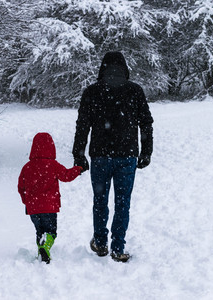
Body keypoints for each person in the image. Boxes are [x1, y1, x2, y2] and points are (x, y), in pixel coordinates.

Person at [72, 51, 154, 263]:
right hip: (127, 156)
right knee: (122, 202)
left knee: (100, 200)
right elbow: (146, 122)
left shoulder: (92, 91)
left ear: (103, 67)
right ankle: (118, 247)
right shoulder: (134, 91)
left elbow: (82, 125)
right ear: (124, 68)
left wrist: (79, 154)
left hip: (100, 156)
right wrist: (146, 151)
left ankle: (100, 242)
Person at [18, 132, 83, 264]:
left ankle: (41, 252)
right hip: (49, 206)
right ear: (51, 147)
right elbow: (66, 176)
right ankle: (45, 247)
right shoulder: (53, 165)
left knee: (39, 230)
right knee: (51, 232)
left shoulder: (27, 167)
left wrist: (27, 201)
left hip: (33, 208)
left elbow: (21, 187)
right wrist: (78, 169)